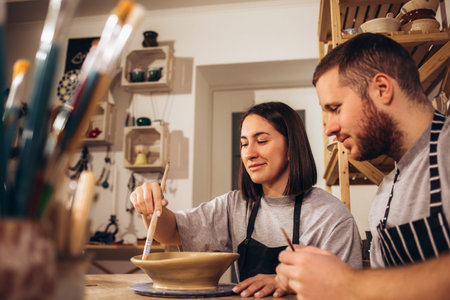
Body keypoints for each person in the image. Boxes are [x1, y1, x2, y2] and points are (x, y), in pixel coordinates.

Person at [276, 32, 450, 299]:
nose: (330, 128)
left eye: (335, 108)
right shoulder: (385, 194)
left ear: (382, 88)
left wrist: (346, 283)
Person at [130, 101, 362, 298]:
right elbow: (171, 233)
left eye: (261, 141)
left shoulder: (331, 217)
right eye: (243, 144)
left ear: (292, 148)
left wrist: (289, 282)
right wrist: (151, 208)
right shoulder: (235, 206)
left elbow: (350, 291)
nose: (249, 153)